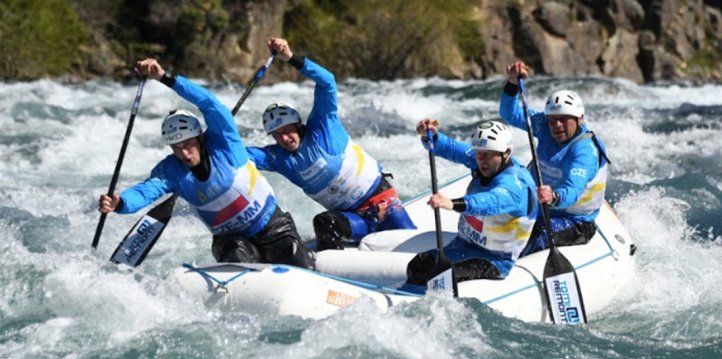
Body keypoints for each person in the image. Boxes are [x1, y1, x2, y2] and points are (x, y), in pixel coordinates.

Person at [98, 58, 315, 268]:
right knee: (236, 254)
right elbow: (147, 190)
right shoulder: (171, 171)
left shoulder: (225, 142)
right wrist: (121, 203)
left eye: (188, 144)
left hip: (271, 226)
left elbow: (209, 103)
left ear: (201, 138)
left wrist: (164, 78)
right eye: (176, 147)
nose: (183, 152)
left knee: (292, 253)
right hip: (230, 240)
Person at [247, 37, 416, 251]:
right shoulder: (278, 158)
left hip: (384, 204)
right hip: (355, 220)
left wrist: (290, 58)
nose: (284, 139)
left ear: (298, 125)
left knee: (413, 247)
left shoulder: (323, 124)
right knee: (324, 222)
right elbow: (237, 156)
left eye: (287, 130)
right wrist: (207, 143)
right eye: (276, 135)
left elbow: (327, 81)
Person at [406, 119, 538, 285]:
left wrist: (454, 204)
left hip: (493, 260)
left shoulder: (515, 184)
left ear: (506, 153)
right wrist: (430, 136)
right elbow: (451, 147)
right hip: (461, 247)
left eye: (488, 154)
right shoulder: (484, 160)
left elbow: (491, 201)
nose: (481, 159)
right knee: (418, 265)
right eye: (478, 153)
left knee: (440, 276)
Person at [499, 61, 610, 255]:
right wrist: (512, 84)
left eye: (564, 119)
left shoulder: (584, 152)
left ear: (579, 119)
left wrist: (554, 197)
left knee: (529, 238)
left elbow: (572, 190)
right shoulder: (543, 125)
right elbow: (509, 113)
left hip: (574, 221)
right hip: (539, 208)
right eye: (553, 119)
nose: (557, 125)